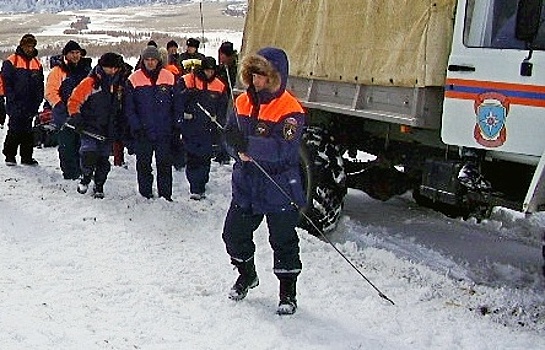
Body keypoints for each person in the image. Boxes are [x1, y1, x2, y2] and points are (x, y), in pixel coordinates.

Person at [221, 47, 306, 315]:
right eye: (253, 75)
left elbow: (285, 149)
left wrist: (250, 145)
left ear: (275, 77)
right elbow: (228, 136)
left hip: (278, 185)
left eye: (262, 76)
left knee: (283, 241)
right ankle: (247, 275)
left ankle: (288, 294)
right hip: (246, 184)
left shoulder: (290, 109)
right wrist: (236, 149)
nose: (256, 81)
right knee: (233, 235)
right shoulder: (242, 102)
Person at [125, 46, 183, 201]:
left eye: (153, 60)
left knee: (164, 164)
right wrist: (136, 127)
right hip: (143, 131)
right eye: (147, 60)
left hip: (164, 130)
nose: (150, 63)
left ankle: (165, 194)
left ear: (159, 61)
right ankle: (145, 194)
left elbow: (177, 103)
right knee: (143, 164)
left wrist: (177, 123)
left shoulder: (169, 77)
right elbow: (129, 108)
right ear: (143, 61)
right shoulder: (133, 79)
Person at [66, 53, 127, 199]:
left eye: (115, 68)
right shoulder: (90, 83)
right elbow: (74, 101)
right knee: (88, 154)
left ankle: (99, 185)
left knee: (103, 162)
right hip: (89, 127)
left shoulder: (118, 85)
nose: (112, 71)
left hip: (108, 129)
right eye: (109, 68)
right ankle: (86, 177)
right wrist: (76, 117)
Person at [179, 56, 227, 200]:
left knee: (205, 158)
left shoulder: (219, 85)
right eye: (206, 70)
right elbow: (177, 100)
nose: (209, 74)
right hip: (191, 126)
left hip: (209, 128)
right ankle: (195, 186)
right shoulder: (188, 80)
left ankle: (201, 183)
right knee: (193, 157)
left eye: (211, 71)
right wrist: (188, 94)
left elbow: (222, 108)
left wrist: (219, 123)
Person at [45, 40, 92, 179]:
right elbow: (50, 92)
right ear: (66, 54)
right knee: (67, 145)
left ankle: (84, 171)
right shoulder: (57, 71)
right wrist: (59, 107)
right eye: (72, 53)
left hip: (83, 112)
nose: (75, 55)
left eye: (77, 53)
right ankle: (71, 174)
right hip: (63, 113)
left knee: (83, 144)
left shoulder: (87, 70)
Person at [2, 34, 44, 166]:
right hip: (15, 102)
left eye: (32, 46)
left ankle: (26, 157)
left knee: (27, 131)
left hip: (31, 103)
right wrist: (12, 100)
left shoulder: (37, 63)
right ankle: (10, 156)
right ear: (21, 45)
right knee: (14, 129)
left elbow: (40, 84)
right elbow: (6, 82)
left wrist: (38, 100)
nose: (30, 49)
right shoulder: (11, 61)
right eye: (27, 46)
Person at [214, 41, 239, 164]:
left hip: (229, 101)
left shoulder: (233, 69)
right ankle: (221, 151)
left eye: (221, 55)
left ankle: (224, 153)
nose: (220, 58)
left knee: (225, 126)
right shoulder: (223, 68)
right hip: (222, 100)